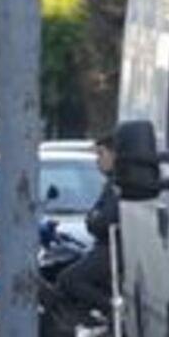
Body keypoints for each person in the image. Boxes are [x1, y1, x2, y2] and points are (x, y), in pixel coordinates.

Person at [54, 134, 119, 325]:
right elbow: (93, 216)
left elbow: (104, 219)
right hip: (105, 245)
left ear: (115, 154)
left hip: (112, 247)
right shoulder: (111, 181)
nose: (98, 161)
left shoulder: (118, 183)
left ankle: (114, 310)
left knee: (69, 279)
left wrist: (94, 220)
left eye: (101, 154)